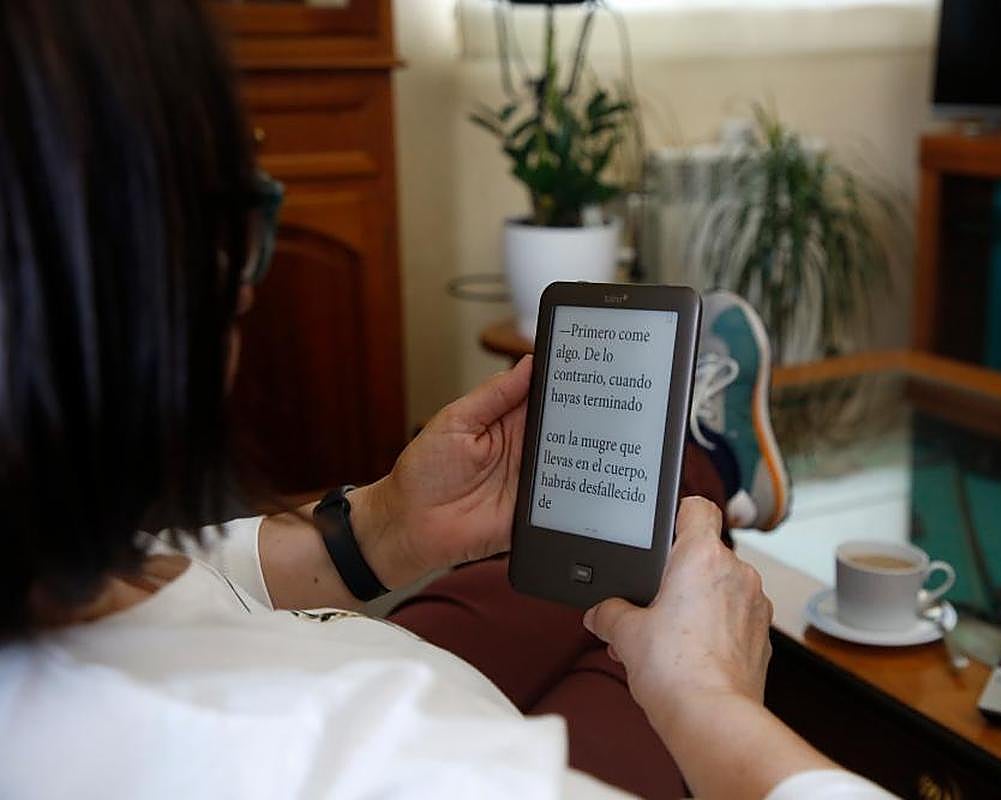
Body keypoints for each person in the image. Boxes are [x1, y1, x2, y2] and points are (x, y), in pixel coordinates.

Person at [0, 2, 892, 798]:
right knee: (646, 610)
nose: (242, 285)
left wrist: (383, 527)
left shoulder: (54, 584)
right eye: (228, 217)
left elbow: (176, 574)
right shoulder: (376, 766)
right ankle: (711, 465)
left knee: (554, 565)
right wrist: (713, 702)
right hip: (418, 703)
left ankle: (704, 460)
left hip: (352, 645)